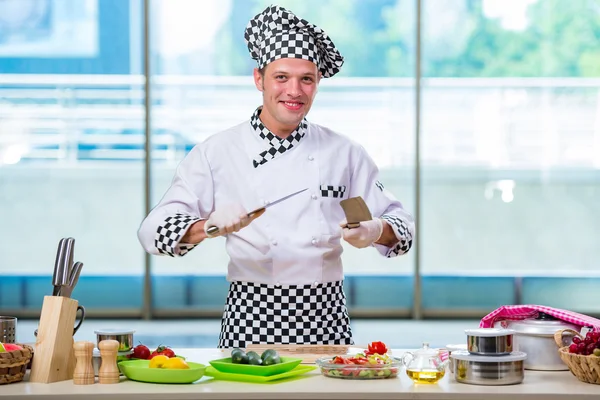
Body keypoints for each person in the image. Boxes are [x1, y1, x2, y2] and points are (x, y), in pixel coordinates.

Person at [137, 4, 415, 349]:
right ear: (259, 79)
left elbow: (404, 229)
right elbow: (151, 232)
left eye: (306, 79)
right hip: (250, 316)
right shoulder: (217, 151)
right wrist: (207, 225)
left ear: (316, 85)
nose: (294, 91)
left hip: (326, 318)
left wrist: (376, 230)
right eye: (281, 77)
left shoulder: (345, 152)